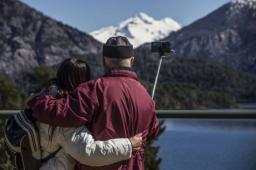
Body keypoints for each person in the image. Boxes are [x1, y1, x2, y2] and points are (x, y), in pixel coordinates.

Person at [28, 36, 160, 170]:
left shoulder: (94, 89)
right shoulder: (146, 96)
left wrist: (38, 99)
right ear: (132, 62)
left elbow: (58, 113)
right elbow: (153, 130)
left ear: (104, 61)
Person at [34, 58, 143, 170]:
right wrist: (128, 145)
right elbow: (88, 152)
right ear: (82, 82)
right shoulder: (64, 116)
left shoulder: (46, 101)